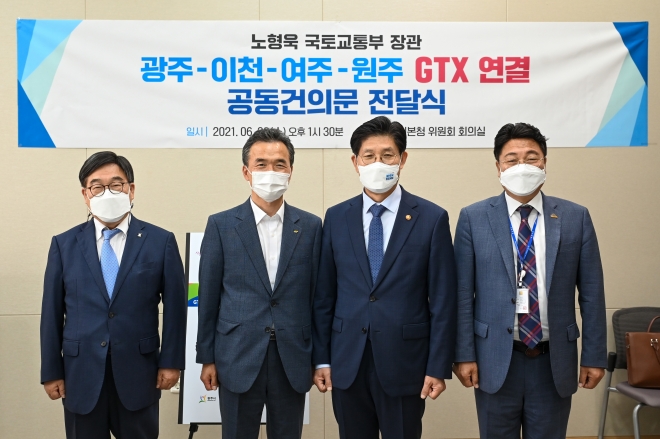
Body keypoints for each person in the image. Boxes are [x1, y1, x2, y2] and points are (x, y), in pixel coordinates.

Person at [453, 122, 607, 439]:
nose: (522, 166)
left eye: (531, 157)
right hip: (495, 358)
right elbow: (462, 294)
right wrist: (463, 354)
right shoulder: (473, 217)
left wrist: (594, 356)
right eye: (512, 159)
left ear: (544, 163)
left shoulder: (575, 217)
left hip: (553, 361)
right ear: (498, 166)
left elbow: (592, 294)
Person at [312, 116, 457, 439]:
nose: (378, 163)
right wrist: (321, 359)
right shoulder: (336, 217)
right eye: (369, 156)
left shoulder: (431, 218)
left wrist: (438, 366)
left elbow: (443, 301)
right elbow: (324, 297)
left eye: (387, 155)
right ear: (355, 162)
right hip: (347, 361)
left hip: (405, 363)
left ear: (402, 159)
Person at [40, 151, 187, 439]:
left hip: (139, 373)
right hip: (80, 374)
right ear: (85, 195)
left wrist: (171, 362)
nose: (107, 192)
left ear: (131, 189)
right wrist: (51, 370)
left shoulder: (161, 241)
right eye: (97, 186)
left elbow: (176, 309)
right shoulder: (64, 245)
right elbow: (51, 314)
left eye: (116, 184)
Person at [196, 128, 322, 439]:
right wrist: (207, 358)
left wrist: (321, 358)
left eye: (280, 164)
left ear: (290, 171)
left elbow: (318, 298)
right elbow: (208, 297)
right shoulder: (221, 225)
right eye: (261, 164)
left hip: (292, 356)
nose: (271, 172)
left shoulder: (310, 226)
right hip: (236, 355)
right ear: (246, 172)